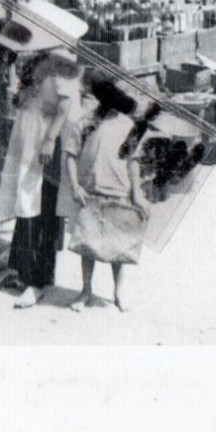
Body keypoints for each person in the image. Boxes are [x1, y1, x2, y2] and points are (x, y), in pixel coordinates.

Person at [0, 48, 82, 308]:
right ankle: (22, 273)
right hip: (28, 140)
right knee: (25, 206)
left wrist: (49, 140)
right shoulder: (36, 56)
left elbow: (65, 106)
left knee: (42, 211)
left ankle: (38, 281)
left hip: (46, 146)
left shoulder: (62, 59)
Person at [63, 76, 152, 313]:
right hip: (91, 193)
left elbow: (133, 162)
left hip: (119, 191)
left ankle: (118, 293)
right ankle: (86, 290)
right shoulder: (86, 122)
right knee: (87, 245)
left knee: (119, 247)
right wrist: (75, 186)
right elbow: (70, 155)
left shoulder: (129, 126)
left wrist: (136, 193)